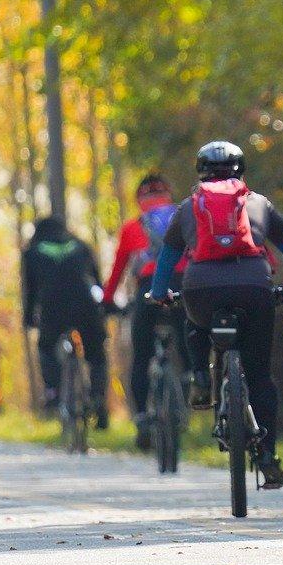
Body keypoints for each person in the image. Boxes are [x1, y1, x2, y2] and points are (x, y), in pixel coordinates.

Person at [148, 141, 283, 489]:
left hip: (201, 288)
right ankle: (267, 455)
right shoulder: (258, 203)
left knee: (195, 323)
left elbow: (166, 259)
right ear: (242, 170)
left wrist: (160, 294)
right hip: (254, 287)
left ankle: (201, 379)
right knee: (261, 376)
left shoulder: (189, 207)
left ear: (200, 173)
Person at [102, 174, 189, 451]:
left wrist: (107, 301)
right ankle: (191, 388)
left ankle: (141, 419)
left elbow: (118, 270)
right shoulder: (185, 220)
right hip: (184, 286)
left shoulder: (132, 228)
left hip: (149, 290)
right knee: (189, 346)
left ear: (140, 200)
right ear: (169, 196)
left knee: (142, 355)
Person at [22, 216, 110, 428]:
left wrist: (28, 318)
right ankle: (98, 399)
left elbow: (30, 290)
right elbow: (96, 281)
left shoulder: (32, 251)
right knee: (96, 355)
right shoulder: (80, 245)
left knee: (46, 348)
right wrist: (104, 308)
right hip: (85, 307)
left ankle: (53, 392)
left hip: (52, 310)